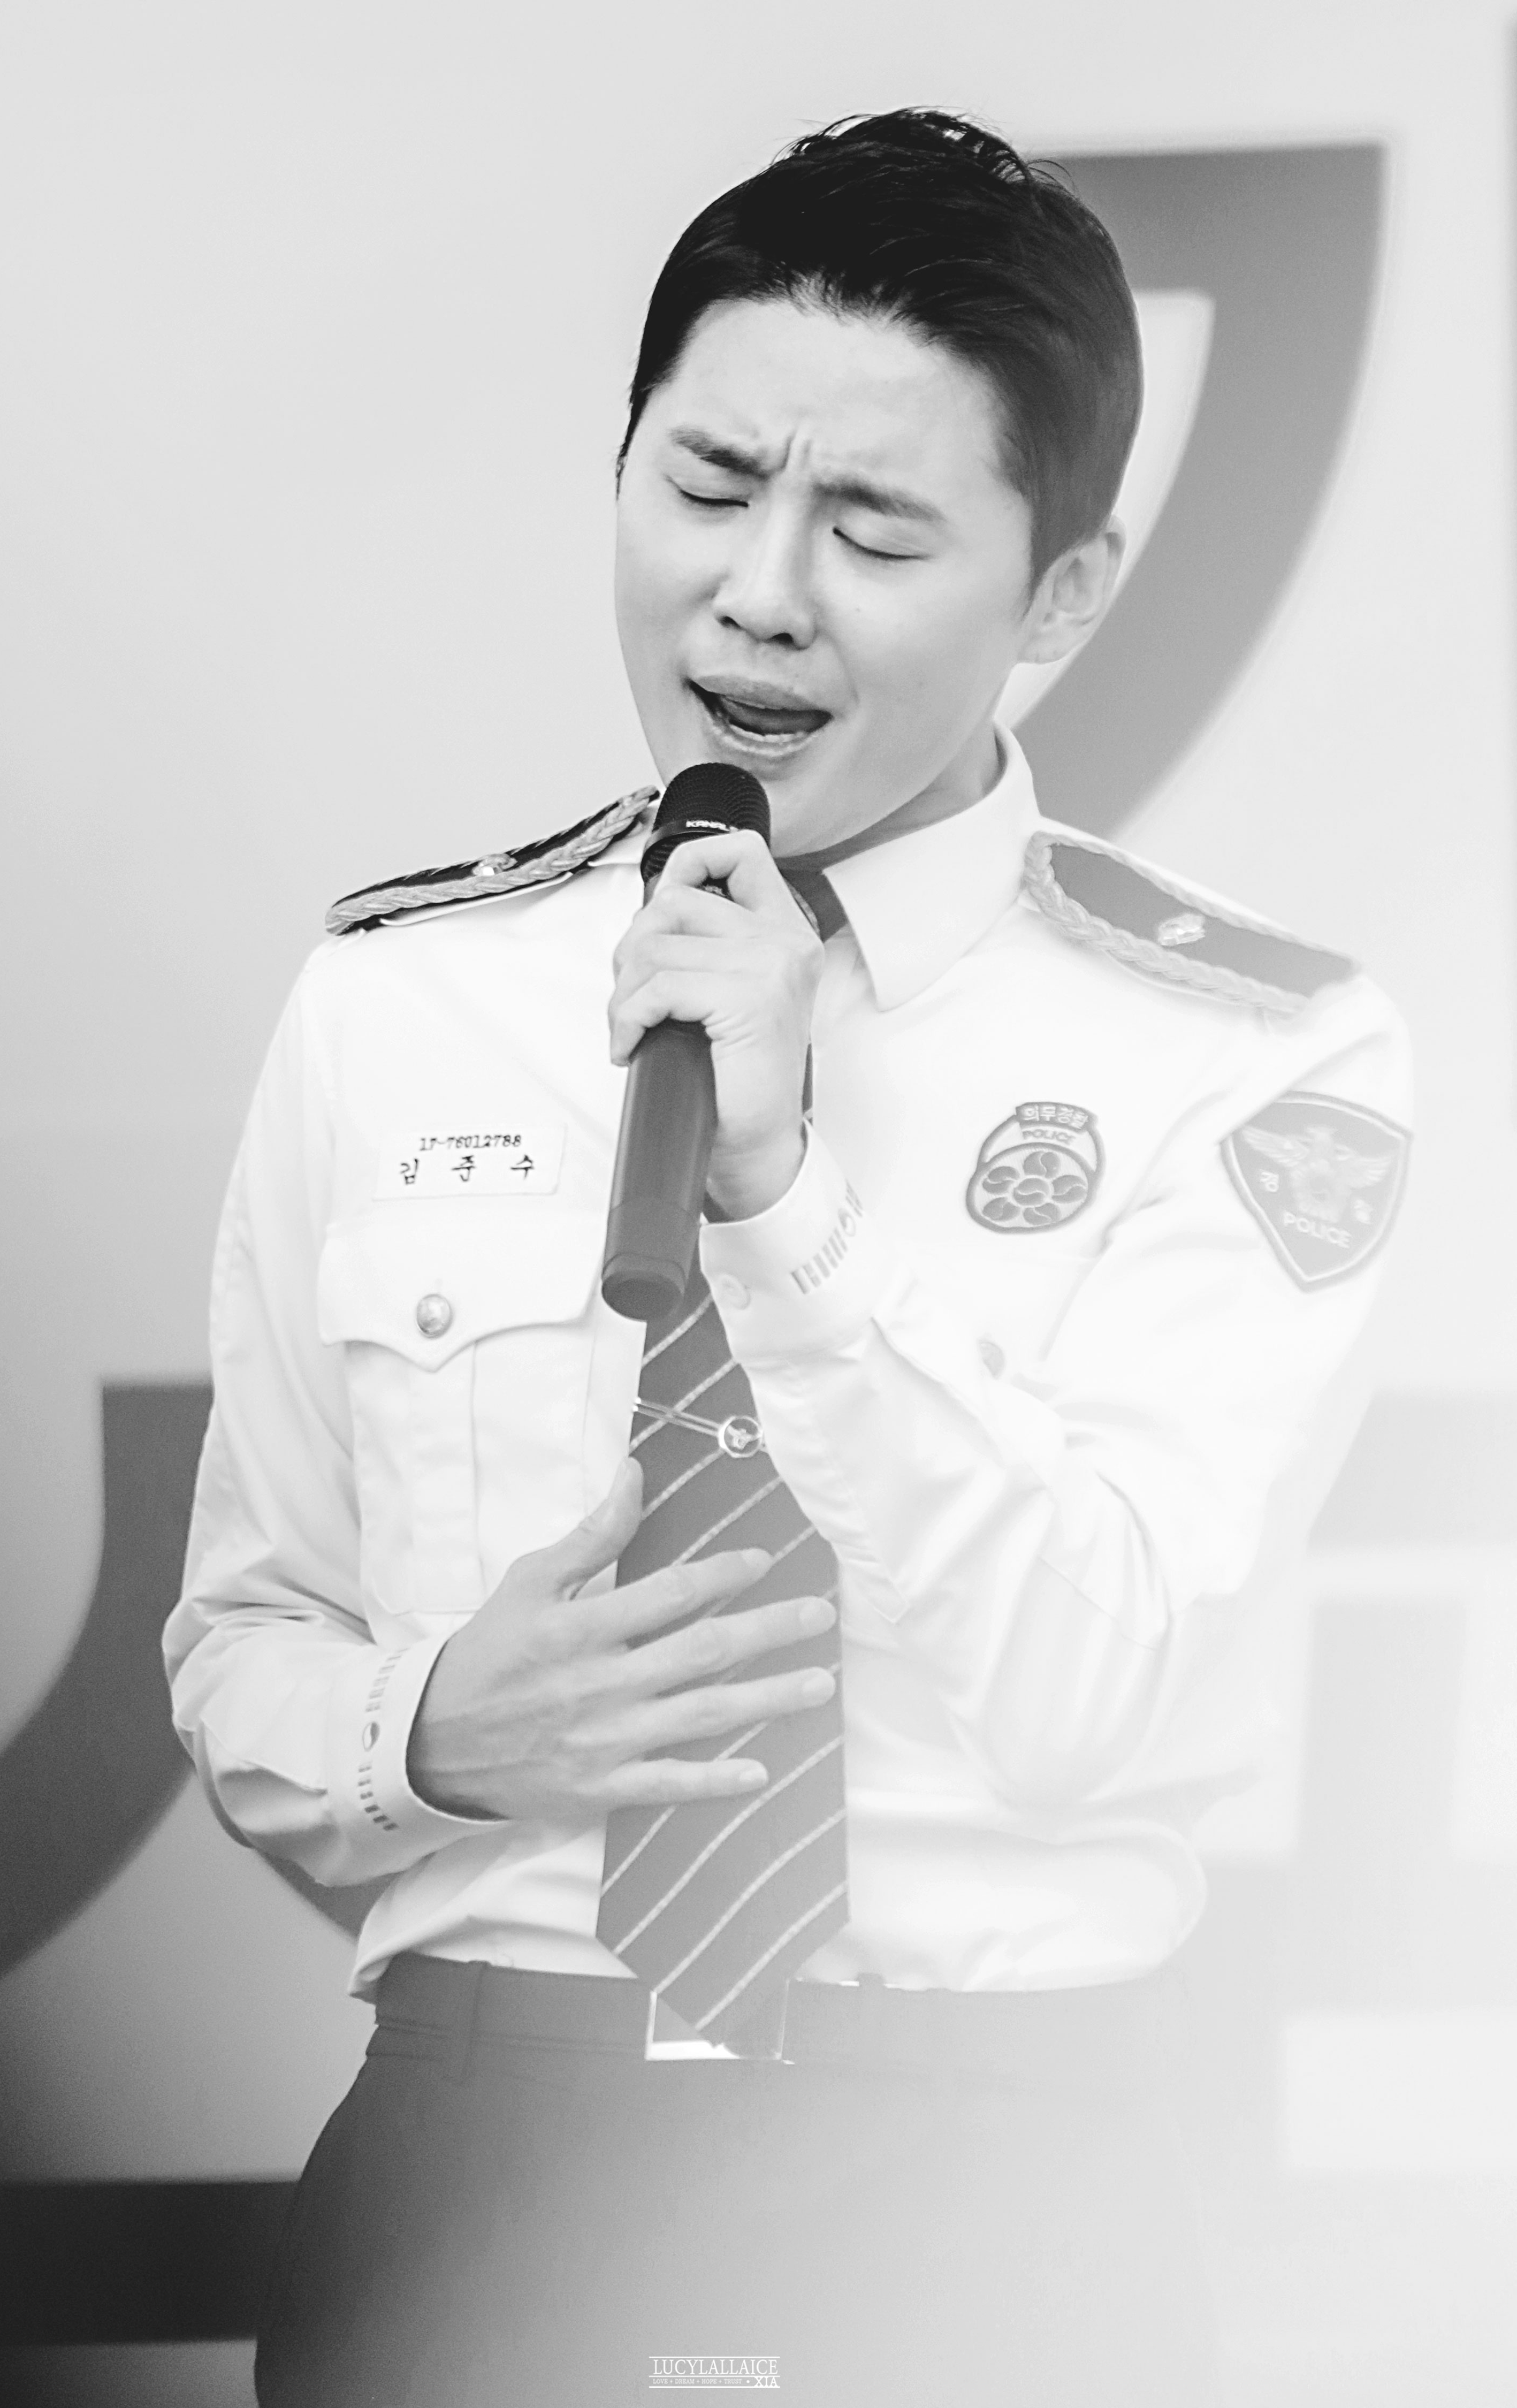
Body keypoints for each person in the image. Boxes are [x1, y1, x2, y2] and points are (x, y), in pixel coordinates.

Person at [165, 109, 1411, 2408]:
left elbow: (1092, 1690)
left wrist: (784, 1204)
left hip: (996, 2173)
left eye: (874, 529)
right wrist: (430, 1728)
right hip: (490, 2144)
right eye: (709, 482)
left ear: (1063, 593)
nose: (758, 593)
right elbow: (247, 1646)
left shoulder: (1254, 1056)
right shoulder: (398, 999)